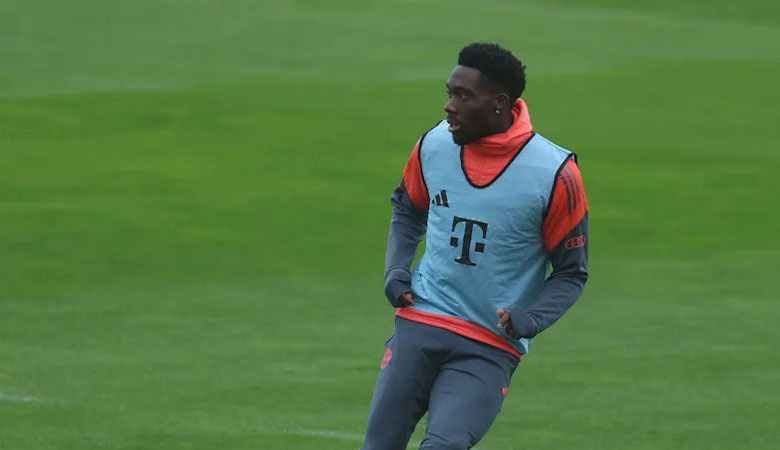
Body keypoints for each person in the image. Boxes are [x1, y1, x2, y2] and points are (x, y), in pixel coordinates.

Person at [362, 43, 589, 450]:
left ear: (499, 103)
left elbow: (572, 272)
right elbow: (408, 209)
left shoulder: (555, 173)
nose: (450, 106)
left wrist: (532, 317)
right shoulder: (433, 144)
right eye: (450, 93)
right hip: (420, 321)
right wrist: (396, 268)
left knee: (445, 445)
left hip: (488, 344)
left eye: (464, 96)